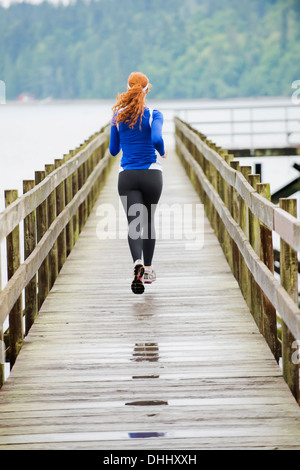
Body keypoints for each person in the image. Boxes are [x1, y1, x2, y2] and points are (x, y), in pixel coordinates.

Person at [109, 71, 167, 294]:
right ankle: (149, 269)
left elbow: (114, 151)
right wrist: (161, 151)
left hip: (128, 176)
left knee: (134, 224)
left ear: (127, 88)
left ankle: (137, 264)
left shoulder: (118, 115)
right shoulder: (154, 114)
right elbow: (156, 138)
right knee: (149, 219)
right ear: (147, 89)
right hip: (152, 175)